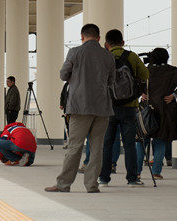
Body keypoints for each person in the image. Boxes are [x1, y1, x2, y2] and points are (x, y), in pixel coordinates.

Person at [45, 24, 116, 194]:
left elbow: (63, 75)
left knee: (74, 147)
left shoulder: (75, 52)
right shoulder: (108, 55)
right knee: (97, 148)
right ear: (99, 38)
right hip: (102, 107)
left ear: (82, 37)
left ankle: (63, 184)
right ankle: (92, 185)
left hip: (79, 106)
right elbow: (111, 81)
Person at [99, 29, 149, 188]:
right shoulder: (131, 56)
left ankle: (104, 179)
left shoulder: (103, 57)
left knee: (106, 143)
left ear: (107, 44)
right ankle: (132, 179)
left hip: (108, 107)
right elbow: (145, 74)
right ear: (123, 42)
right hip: (129, 107)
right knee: (129, 144)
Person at [139, 48, 177, 180]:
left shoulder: (146, 70)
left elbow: (135, 83)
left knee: (141, 142)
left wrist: (142, 93)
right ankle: (156, 172)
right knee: (160, 140)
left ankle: (136, 172)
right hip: (165, 109)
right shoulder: (171, 71)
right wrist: (174, 95)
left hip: (146, 108)